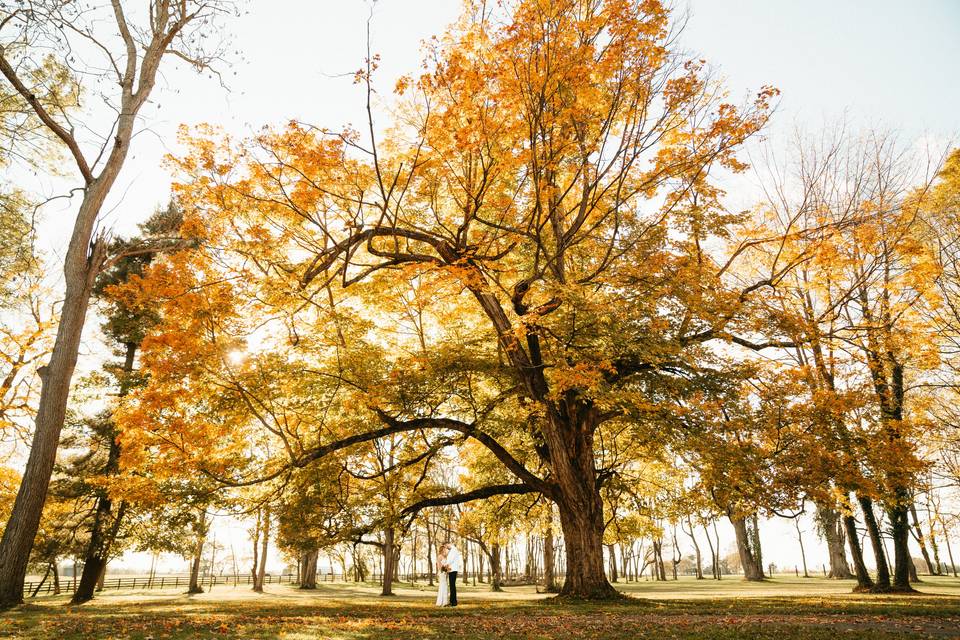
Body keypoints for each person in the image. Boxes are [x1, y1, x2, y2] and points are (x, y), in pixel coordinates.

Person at [445, 542, 463, 607]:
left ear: (448, 544)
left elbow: (450, 560)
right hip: (452, 569)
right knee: (452, 586)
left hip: (453, 570)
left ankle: (453, 602)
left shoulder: (453, 550)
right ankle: (452, 601)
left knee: (452, 586)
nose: (446, 547)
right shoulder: (452, 550)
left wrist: (445, 565)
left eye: (446, 546)